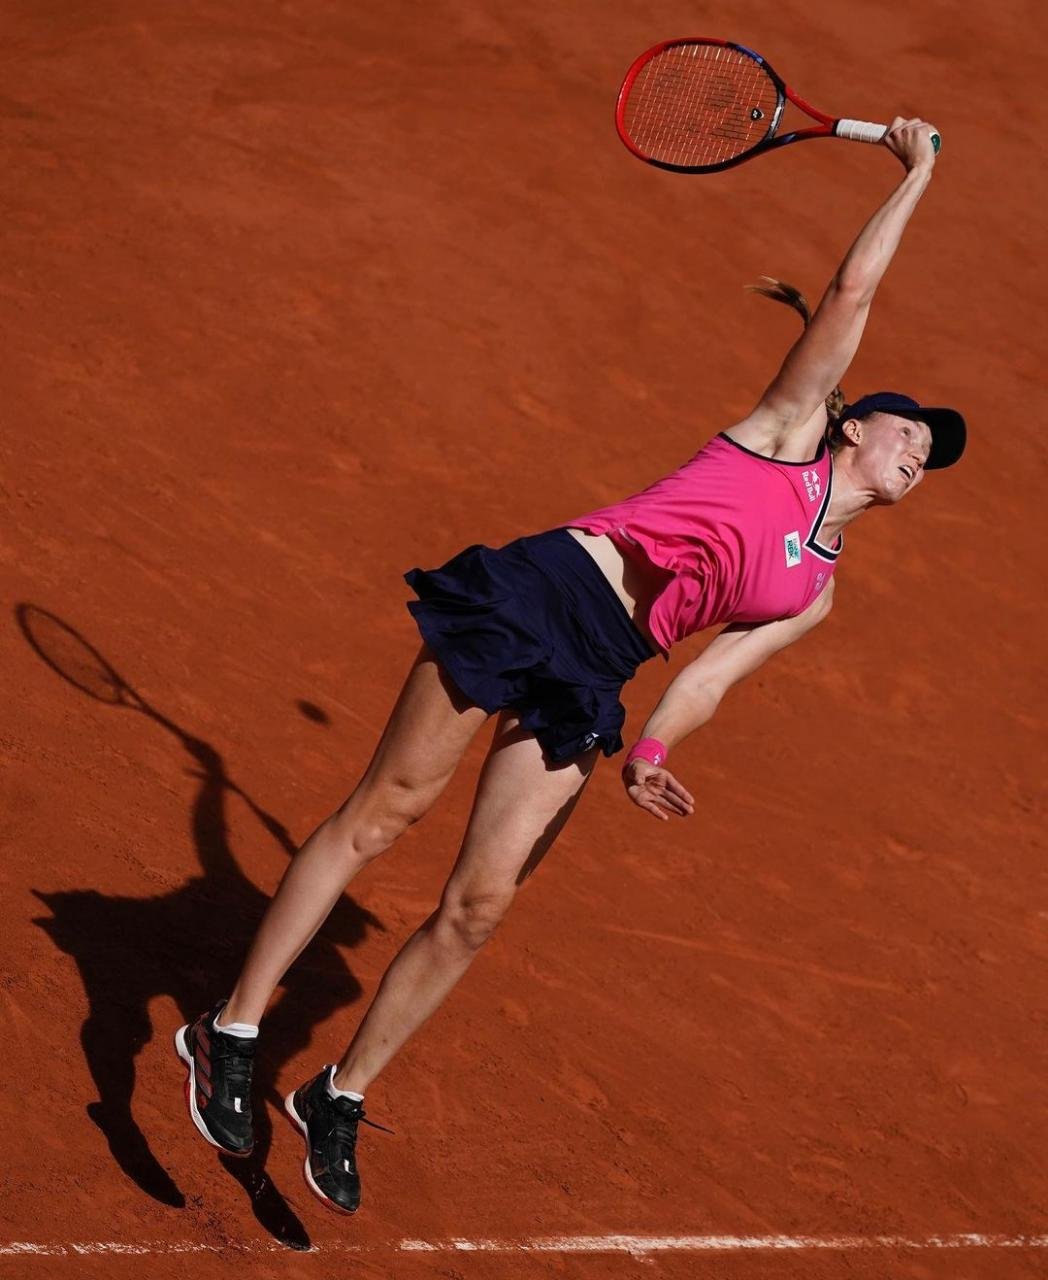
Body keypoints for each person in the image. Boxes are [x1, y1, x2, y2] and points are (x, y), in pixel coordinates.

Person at [175, 117, 965, 1214]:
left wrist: (650, 747)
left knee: (480, 903)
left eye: (932, 455)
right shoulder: (783, 430)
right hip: (544, 592)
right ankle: (231, 1028)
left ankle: (340, 1094)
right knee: (387, 809)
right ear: (850, 427)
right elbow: (850, 293)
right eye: (908, 429)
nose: (920, 450)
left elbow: (709, 673)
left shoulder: (815, 589)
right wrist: (917, 171)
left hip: (603, 663)